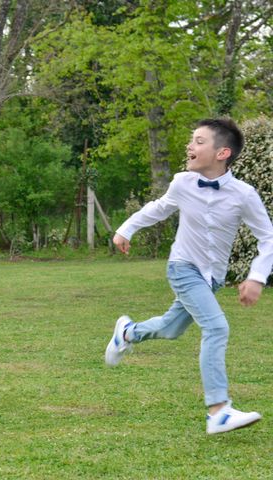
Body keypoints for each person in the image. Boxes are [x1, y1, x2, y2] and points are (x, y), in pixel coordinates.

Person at [105, 118, 273, 434]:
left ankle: (127, 332)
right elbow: (159, 208)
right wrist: (126, 229)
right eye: (191, 140)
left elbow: (268, 237)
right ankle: (218, 410)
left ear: (222, 152)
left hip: (212, 278)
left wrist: (257, 276)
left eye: (198, 141)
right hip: (183, 268)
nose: (189, 146)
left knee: (170, 329)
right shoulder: (182, 182)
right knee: (217, 327)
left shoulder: (243, 194)